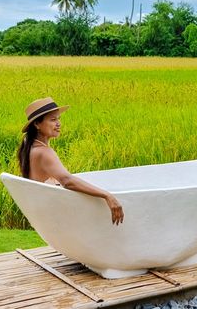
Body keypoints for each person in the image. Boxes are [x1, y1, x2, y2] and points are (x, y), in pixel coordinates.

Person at [17, 97, 124, 226]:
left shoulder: (30, 148)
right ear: (37, 124)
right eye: (53, 119)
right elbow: (67, 181)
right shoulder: (44, 152)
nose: (58, 124)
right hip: (57, 219)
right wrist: (107, 196)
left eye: (58, 119)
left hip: (43, 216)